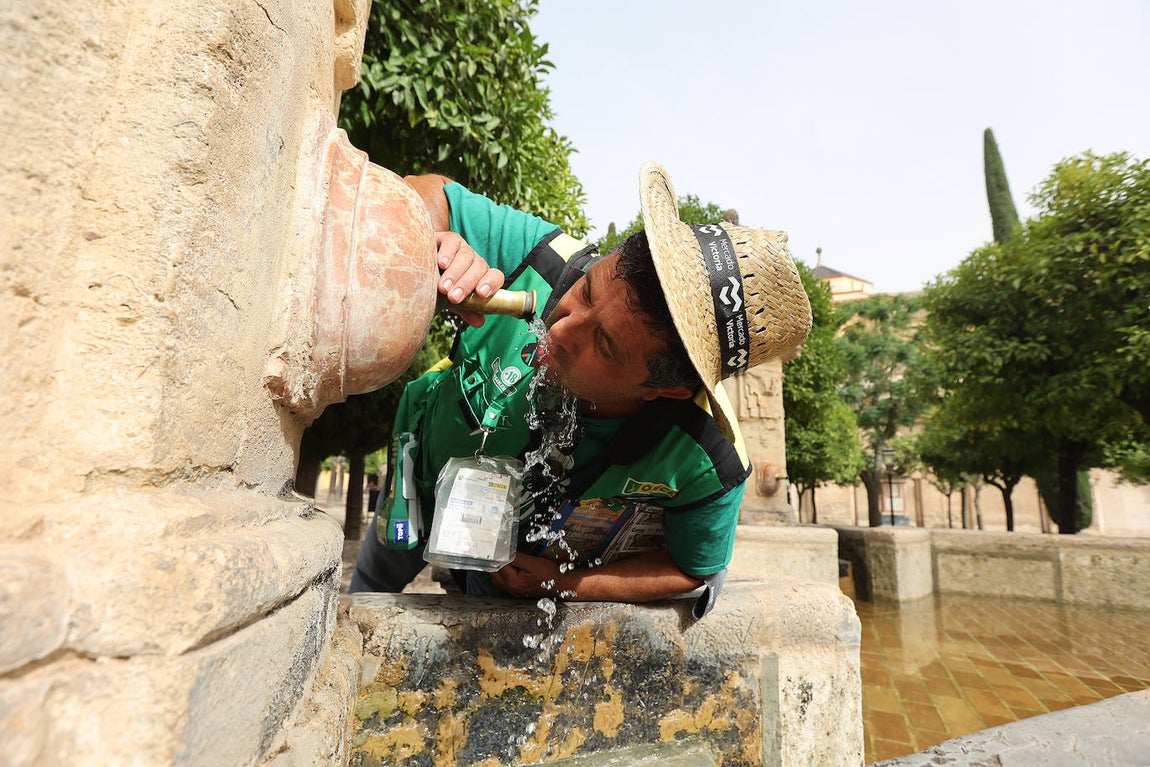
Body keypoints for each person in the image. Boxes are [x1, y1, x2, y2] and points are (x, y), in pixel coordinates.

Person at [350, 162, 811, 617]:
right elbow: (427, 192)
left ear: (665, 391)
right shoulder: (546, 261)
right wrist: (432, 244)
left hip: (511, 569)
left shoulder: (708, 459)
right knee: (365, 590)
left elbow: (694, 569)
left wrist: (562, 584)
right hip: (416, 484)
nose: (563, 326)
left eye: (606, 346)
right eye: (588, 291)